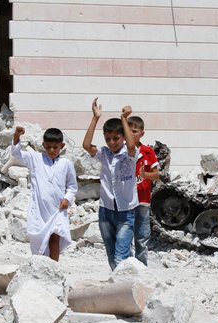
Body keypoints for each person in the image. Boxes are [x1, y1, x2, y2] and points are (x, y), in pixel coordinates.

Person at [82, 98, 138, 270]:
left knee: (121, 255)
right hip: (106, 210)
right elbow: (86, 145)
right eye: (108, 138)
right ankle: (123, 285)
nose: (112, 142)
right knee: (112, 254)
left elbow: (130, 144)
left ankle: (125, 283)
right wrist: (95, 118)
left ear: (122, 136)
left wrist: (124, 119)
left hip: (126, 210)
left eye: (116, 138)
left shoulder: (130, 153)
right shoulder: (104, 153)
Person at [12, 126, 78, 261]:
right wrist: (16, 137)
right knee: (39, 243)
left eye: (55, 147)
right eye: (48, 147)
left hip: (57, 211)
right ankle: (39, 270)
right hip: (39, 211)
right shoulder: (35, 158)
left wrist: (67, 199)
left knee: (55, 239)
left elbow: (72, 186)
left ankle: (54, 270)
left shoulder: (66, 164)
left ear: (62, 145)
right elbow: (17, 154)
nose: (51, 150)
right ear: (43, 145)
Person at [128, 116, 159, 265]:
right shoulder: (122, 151)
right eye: (129, 131)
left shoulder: (148, 152)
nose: (131, 134)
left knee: (142, 236)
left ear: (142, 133)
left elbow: (157, 175)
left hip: (143, 200)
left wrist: (145, 174)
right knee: (125, 236)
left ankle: (141, 267)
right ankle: (126, 266)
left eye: (134, 131)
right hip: (126, 201)